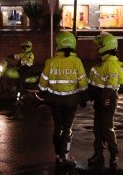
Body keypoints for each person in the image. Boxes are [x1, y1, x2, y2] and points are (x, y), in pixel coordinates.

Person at [38, 31, 88, 167]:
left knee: (57, 127)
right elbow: (83, 83)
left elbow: (42, 84)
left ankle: (58, 156)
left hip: (54, 101)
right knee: (67, 128)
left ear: (58, 45)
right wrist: (83, 98)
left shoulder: (51, 62)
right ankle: (65, 156)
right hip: (71, 102)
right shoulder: (76, 62)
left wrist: (42, 93)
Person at [87, 32, 123, 167]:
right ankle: (98, 154)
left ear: (105, 47)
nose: (97, 48)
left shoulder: (110, 64)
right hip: (101, 99)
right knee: (97, 129)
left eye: (99, 45)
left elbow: (110, 85)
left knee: (106, 128)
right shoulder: (104, 63)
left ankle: (113, 153)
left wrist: (103, 98)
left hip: (108, 98)